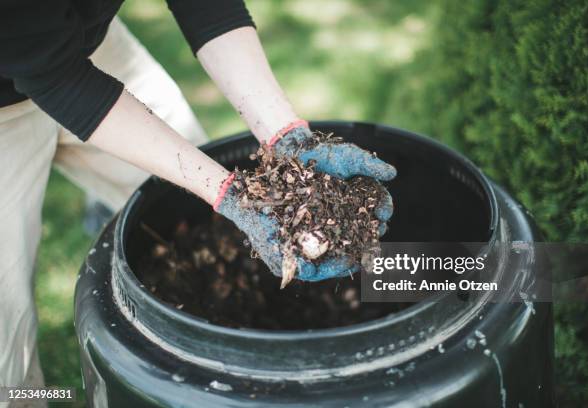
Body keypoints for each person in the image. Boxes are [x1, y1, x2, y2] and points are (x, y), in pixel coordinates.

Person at [0, 0, 395, 403]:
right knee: (6, 349)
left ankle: (231, 343)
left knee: (197, 228)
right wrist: (229, 193)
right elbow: (53, 75)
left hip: (81, 48)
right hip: (15, 92)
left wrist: (286, 136)